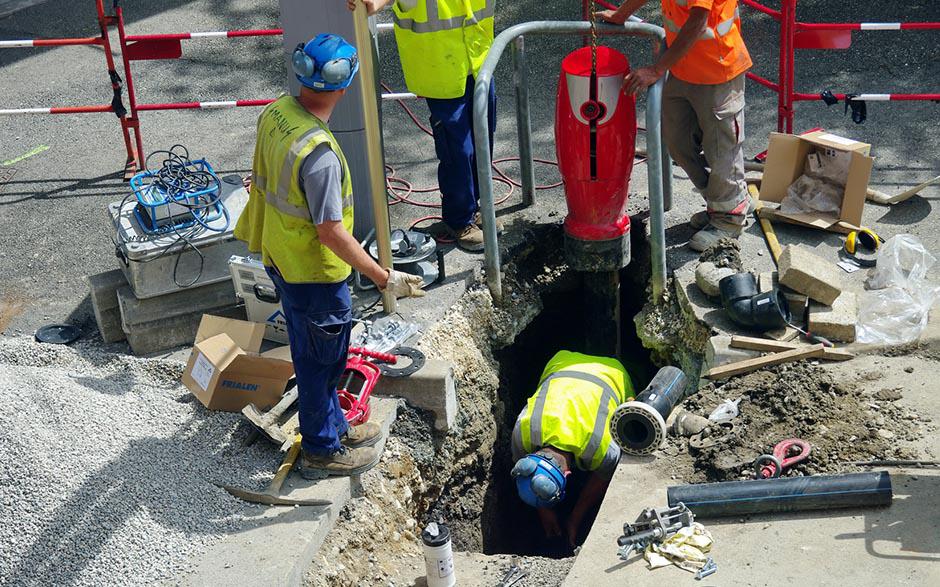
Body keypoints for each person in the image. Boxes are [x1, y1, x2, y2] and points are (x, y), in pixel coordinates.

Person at [235, 33, 424, 478]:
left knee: (319, 354)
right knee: (320, 364)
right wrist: (383, 277)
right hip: (312, 274)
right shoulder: (319, 156)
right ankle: (322, 449)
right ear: (346, 84)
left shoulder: (277, 113)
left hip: (281, 256)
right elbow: (331, 232)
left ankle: (336, 427)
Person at [597, 1, 753, 252]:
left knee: (721, 148)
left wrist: (656, 69)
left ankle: (729, 218)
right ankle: (724, 202)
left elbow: (698, 21)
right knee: (677, 142)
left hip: (718, 70)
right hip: (682, 67)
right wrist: (621, 15)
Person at [348, 0, 496, 253]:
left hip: (479, 58)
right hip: (442, 71)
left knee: (483, 138)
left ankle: (475, 209)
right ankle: (459, 220)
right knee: (459, 150)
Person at [510, 350, 635, 547]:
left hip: (615, 374)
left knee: (630, 419)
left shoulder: (602, 449)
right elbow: (530, 478)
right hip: (560, 360)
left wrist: (575, 519)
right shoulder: (522, 432)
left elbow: (602, 478)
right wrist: (544, 510)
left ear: (568, 475)